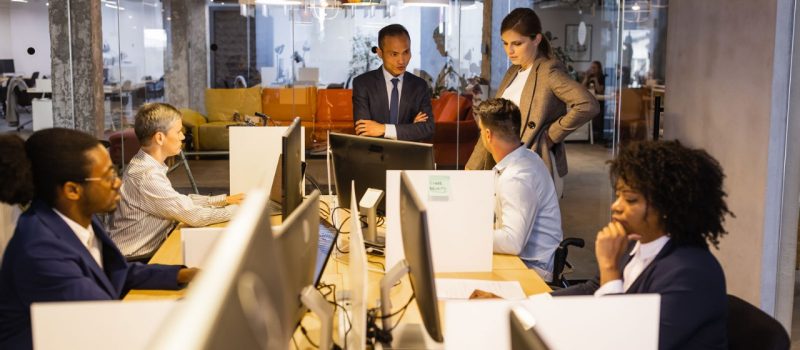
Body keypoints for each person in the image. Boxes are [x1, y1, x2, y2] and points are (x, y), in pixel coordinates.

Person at [0, 128, 198, 350]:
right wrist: (192, 310)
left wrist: (186, 274)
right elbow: (102, 315)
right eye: (108, 176)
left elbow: (116, 273)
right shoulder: (41, 249)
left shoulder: (79, 217)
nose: (118, 183)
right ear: (72, 190)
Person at [552, 140, 732, 349]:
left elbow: (627, 344)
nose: (615, 206)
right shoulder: (634, 243)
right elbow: (593, 288)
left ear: (666, 206)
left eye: (630, 199)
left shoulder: (691, 272)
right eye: (618, 195)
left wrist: (609, 268)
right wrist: (530, 305)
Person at [465, 8, 599, 195]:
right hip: (506, 165)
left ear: (536, 39)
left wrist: (551, 135)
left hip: (534, 162)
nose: (510, 51)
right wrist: (471, 170)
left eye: (517, 43)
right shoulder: (512, 72)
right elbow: (491, 124)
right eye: (505, 43)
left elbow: (587, 105)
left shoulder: (548, 71)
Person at [109, 103, 243, 262]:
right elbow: (194, 216)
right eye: (178, 131)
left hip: (145, 252)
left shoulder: (146, 165)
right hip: (136, 260)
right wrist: (239, 211)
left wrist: (225, 200)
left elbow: (179, 201)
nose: (183, 137)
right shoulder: (147, 176)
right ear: (160, 138)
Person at [476, 98, 563, 281]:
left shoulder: (516, 177)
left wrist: (467, 234)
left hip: (533, 269)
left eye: (481, 131)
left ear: (488, 135)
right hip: (525, 260)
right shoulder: (526, 157)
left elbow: (512, 242)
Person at [352, 24, 434, 142]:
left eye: (406, 52)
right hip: (375, 152)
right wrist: (410, 128)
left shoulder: (419, 86)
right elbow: (363, 131)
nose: (401, 60)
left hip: (408, 152)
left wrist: (383, 129)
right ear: (380, 53)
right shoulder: (363, 84)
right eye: (394, 54)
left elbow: (427, 129)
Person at [582, 61, 606, 142]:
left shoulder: (602, 78)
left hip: (599, 101)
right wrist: (586, 78)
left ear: (599, 69)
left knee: (598, 114)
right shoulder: (589, 77)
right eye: (591, 67)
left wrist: (596, 80)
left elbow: (600, 91)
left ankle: (598, 134)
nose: (592, 69)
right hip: (589, 100)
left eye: (594, 68)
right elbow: (581, 88)